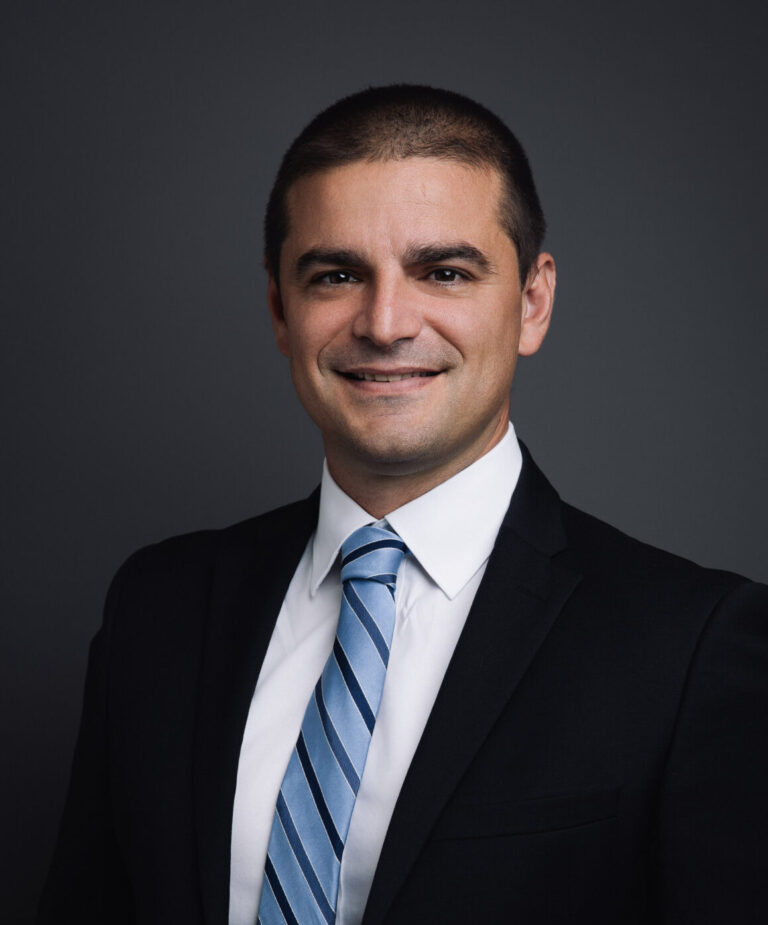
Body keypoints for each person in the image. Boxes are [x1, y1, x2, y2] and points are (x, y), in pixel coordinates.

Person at [38, 85, 768, 925]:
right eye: (337, 275)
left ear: (532, 302)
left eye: (444, 272)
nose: (385, 323)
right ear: (280, 309)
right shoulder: (156, 608)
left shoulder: (692, 648)